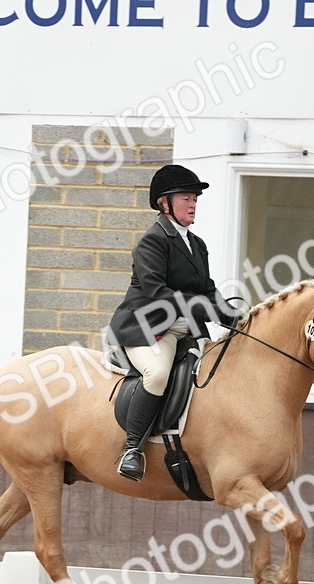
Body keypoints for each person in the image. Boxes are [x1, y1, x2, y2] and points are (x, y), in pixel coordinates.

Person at [106, 164, 243, 481]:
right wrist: (202, 307)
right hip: (150, 327)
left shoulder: (197, 244)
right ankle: (132, 450)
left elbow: (207, 290)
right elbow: (158, 292)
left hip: (187, 329)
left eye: (195, 198)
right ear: (164, 203)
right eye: (186, 197)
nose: (193, 203)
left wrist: (235, 317)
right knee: (157, 374)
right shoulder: (152, 242)